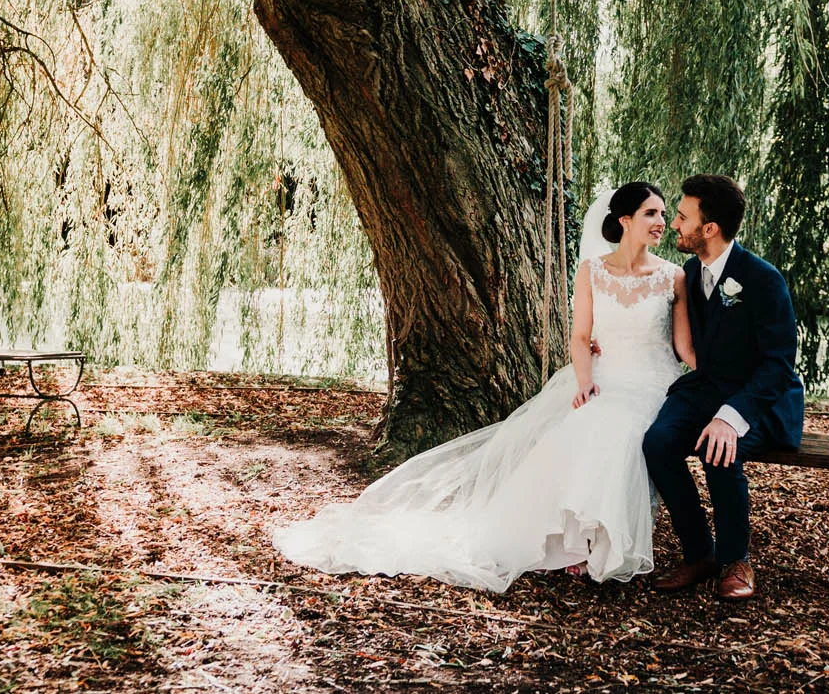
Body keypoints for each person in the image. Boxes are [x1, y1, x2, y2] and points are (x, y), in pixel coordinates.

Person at [272, 182, 692, 593]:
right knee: (582, 424)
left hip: (652, 385)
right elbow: (580, 338)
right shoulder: (593, 272)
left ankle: (602, 544)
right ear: (624, 220)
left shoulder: (673, 278)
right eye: (651, 213)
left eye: (662, 213)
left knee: (618, 431)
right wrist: (584, 383)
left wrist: (727, 379)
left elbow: (684, 347)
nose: (661, 222)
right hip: (603, 377)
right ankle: (572, 544)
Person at [643, 173, 805, 601]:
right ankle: (700, 553)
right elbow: (677, 338)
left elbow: (778, 365)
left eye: (682, 216)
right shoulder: (691, 273)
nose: (674, 224)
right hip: (708, 388)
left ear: (709, 229)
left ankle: (736, 560)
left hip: (761, 400)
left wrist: (731, 418)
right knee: (658, 442)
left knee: (718, 447)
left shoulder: (763, 280)